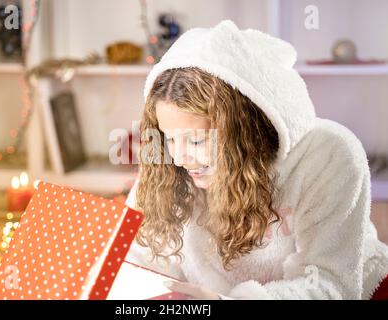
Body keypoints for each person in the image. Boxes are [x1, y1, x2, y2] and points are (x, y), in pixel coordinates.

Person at [124, 20, 388, 300]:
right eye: (170, 138)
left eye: (198, 140)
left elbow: (331, 284)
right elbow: (135, 259)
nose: (180, 157)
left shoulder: (329, 154)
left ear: (246, 128)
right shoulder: (169, 167)